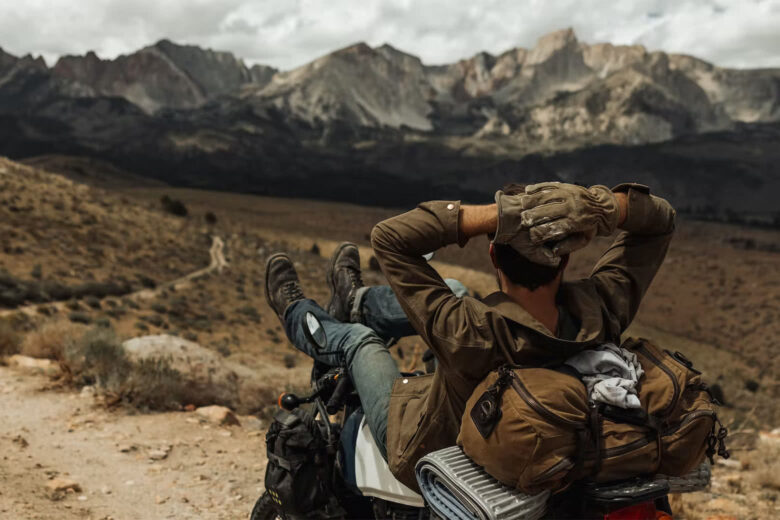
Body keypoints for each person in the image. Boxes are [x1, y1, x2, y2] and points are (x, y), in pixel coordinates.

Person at [264, 181, 675, 490]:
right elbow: (660, 222)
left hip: (422, 451)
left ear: (493, 254)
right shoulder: (603, 308)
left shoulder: (468, 329)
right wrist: (595, 205)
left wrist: (503, 215)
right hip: (532, 442)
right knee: (456, 290)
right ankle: (357, 300)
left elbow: (389, 237)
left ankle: (298, 315)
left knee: (360, 342)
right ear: (565, 258)